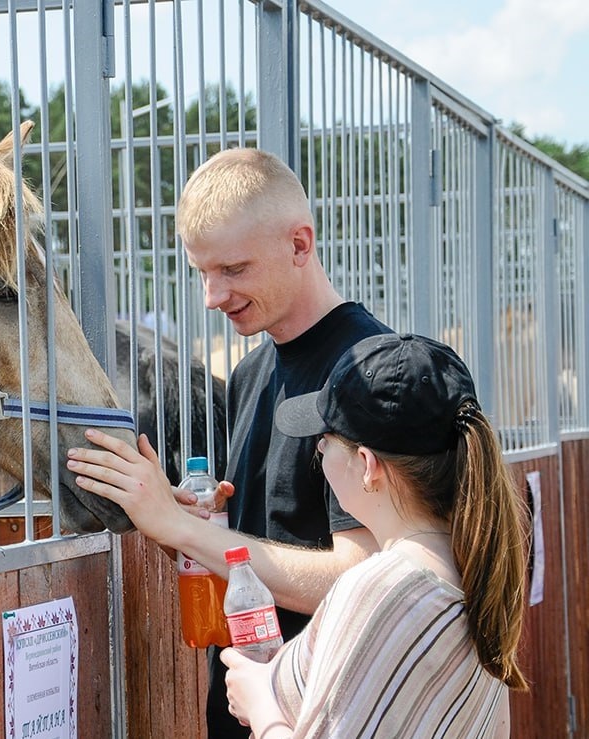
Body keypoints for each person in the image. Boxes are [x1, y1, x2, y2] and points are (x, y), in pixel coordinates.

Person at [65, 147, 389, 736]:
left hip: (331, 713)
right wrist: (183, 522)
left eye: (234, 270)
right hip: (248, 708)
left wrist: (182, 528)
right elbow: (255, 553)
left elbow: (361, 576)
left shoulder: (369, 373)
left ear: (300, 244)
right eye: (202, 273)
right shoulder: (249, 373)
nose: (213, 297)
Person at [221, 332, 526, 736]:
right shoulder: (474, 570)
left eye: (324, 441)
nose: (319, 452)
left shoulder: (381, 589)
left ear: (366, 465)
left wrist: (260, 704)